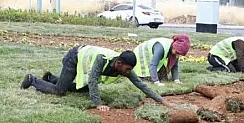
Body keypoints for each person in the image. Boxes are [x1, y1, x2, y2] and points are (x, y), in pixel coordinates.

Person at [21, 46, 172, 111]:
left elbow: (141, 84)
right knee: (60, 91)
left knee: (83, 88)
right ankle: (32, 80)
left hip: (82, 58)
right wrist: (98, 103)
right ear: (119, 63)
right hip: (74, 57)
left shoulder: (124, 67)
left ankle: (50, 78)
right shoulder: (102, 60)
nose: (128, 73)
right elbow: (93, 79)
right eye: (127, 69)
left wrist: (161, 100)